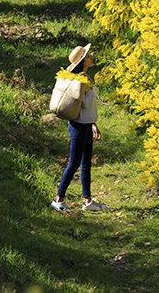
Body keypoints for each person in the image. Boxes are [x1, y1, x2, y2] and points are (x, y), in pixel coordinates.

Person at [51, 43, 109, 212]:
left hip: (86, 124)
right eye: (89, 56)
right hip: (78, 126)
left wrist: (93, 124)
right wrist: (88, 122)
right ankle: (58, 199)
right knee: (74, 162)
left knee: (85, 163)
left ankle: (87, 201)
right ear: (83, 61)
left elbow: (87, 106)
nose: (91, 58)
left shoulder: (85, 78)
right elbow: (78, 105)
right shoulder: (78, 82)